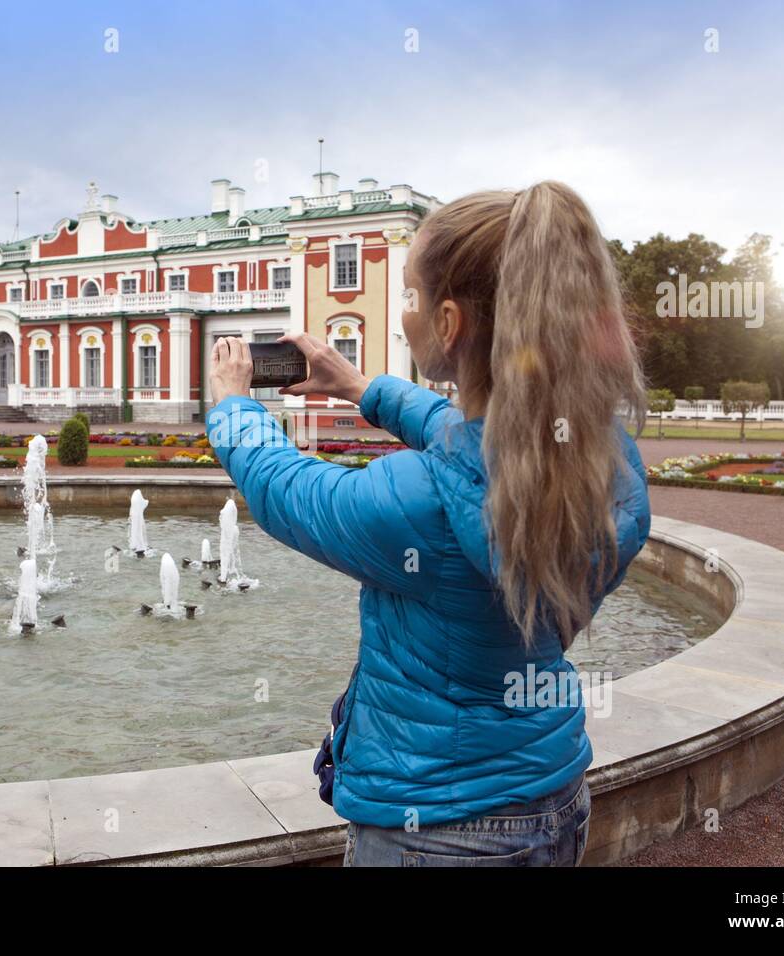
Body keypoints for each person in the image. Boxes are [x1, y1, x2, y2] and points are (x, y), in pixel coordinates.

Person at [206, 181, 651, 867]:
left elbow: (286, 492)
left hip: (438, 828)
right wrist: (359, 386)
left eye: (410, 295)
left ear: (446, 324)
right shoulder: (603, 464)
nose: (404, 310)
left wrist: (233, 405)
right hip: (554, 793)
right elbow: (471, 436)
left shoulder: (419, 504)